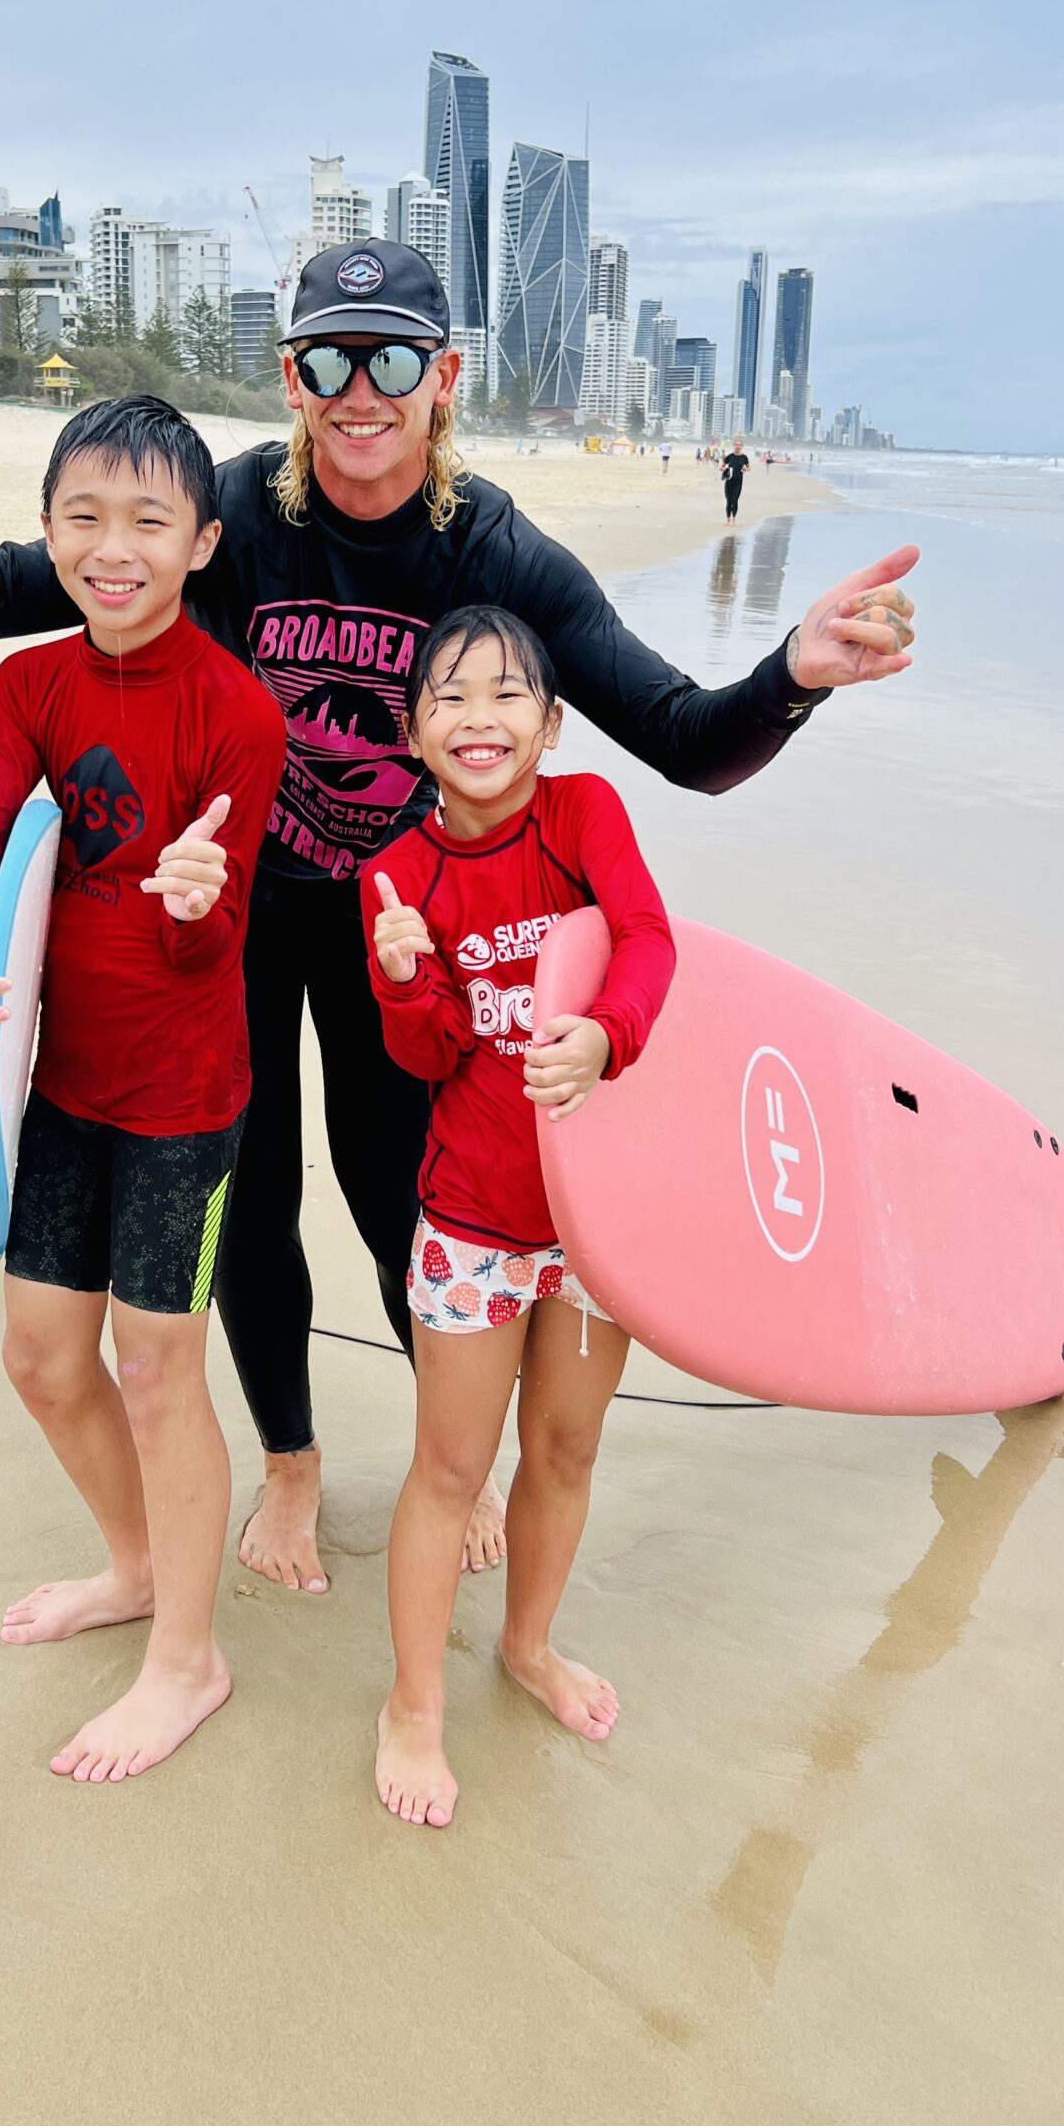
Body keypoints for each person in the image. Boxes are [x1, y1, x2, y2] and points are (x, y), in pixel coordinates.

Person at [0, 239, 919, 1600]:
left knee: (403, 1193)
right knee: (258, 1198)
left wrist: (795, 676)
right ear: (291, 376)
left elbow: (681, 736)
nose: (360, 387)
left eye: (392, 356)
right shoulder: (228, 517)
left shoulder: (496, 551)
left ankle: (441, 1460)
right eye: (329, 357)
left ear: (444, 377)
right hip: (225, 916)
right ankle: (290, 1457)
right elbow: (7, 586)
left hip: (401, 933)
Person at [0, 395, 286, 1781]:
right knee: (38, 1356)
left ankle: (189, 1661)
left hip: (186, 1099)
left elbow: (212, 941)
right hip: (62, 1081)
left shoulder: (236, 714)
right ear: (48, 531)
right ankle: (137, 1570)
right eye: (85, 516)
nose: (113, 548)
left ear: (202, 543)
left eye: (149, 522)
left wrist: (196, 899)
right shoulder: (29, 688)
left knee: (155, 1365)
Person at [362, 605, 674, 1827]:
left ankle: (530, 1644)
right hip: (478, 1223)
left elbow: (647, 940)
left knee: (566, 1450)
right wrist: (402, 976)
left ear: (551, 723)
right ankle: (413, 1704)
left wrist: (606, 1035)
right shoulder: (398, 873)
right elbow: (429, 1053)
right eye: (450, 696)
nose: (479, 717)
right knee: (451, 1466)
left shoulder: (584, 814)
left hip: (596, 1223)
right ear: (415, 732)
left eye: (507, 696)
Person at [720, 441, 749, 521]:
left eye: (739, 445)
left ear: (742, 446)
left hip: (738, 481)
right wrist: (724, 468)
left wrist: (745, 469)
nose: (738, 446)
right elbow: (720, 467)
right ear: (733, 446)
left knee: (735, 499)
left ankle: (734, 519)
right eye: (736, 445)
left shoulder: (744, 457)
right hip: (729, 481)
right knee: (728, 501)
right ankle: (728, 519)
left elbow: (748, 468)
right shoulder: (729, 457)